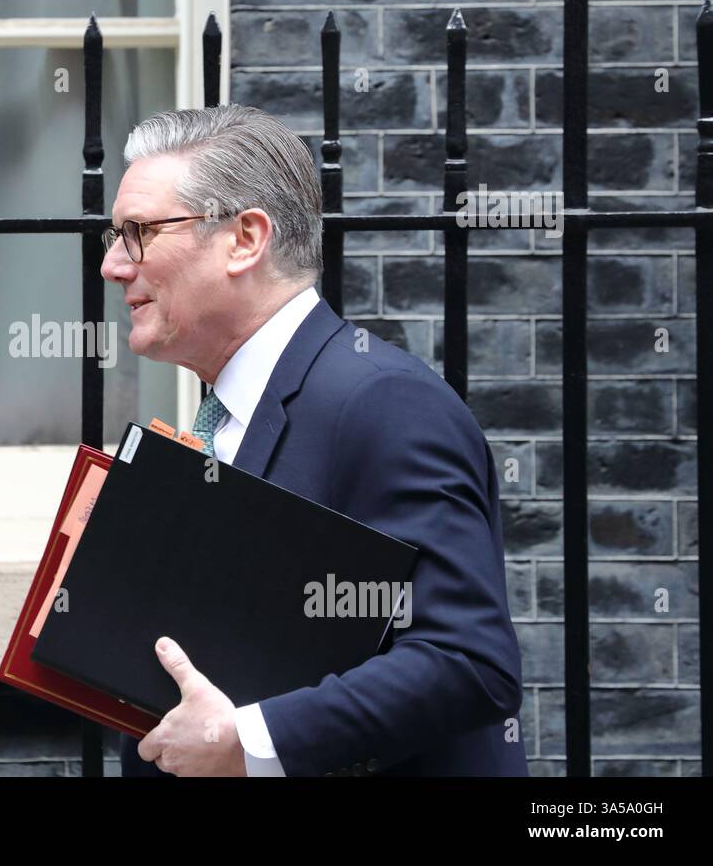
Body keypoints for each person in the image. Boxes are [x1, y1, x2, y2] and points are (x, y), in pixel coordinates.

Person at [101, 104, 527, 777]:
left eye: (139, 233)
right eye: (114, 236)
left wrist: (246, 741)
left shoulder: (383, 401)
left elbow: (467, 663)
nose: (113, 265)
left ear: (244, 238)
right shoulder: (222, 418)